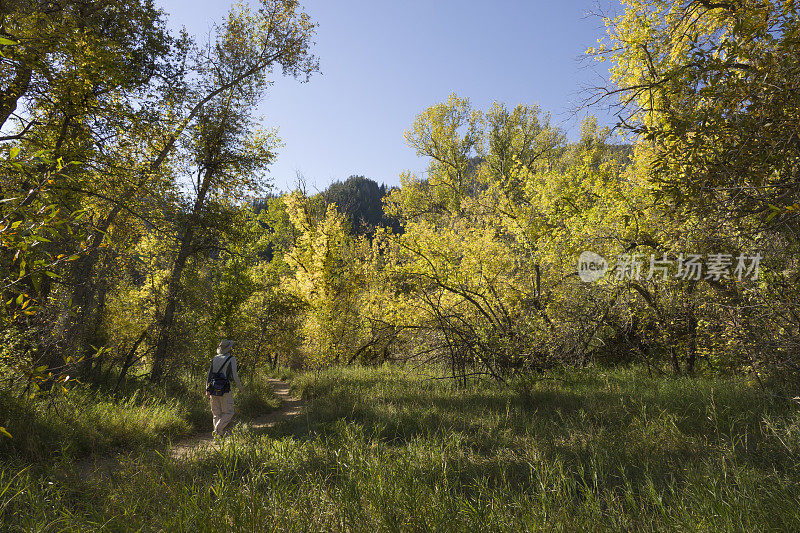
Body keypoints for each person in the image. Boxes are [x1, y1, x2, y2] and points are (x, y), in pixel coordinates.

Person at [205, 338, 243, 436]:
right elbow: (235, 375)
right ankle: (217, 430)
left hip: (213, 389)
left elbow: (209, 375)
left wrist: (207, 389)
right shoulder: (231, 359)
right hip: (225, 389)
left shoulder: (214, 358)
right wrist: (240, 387)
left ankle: (218, 435)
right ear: (229, 348)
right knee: (229, 412)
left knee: (216, 414)